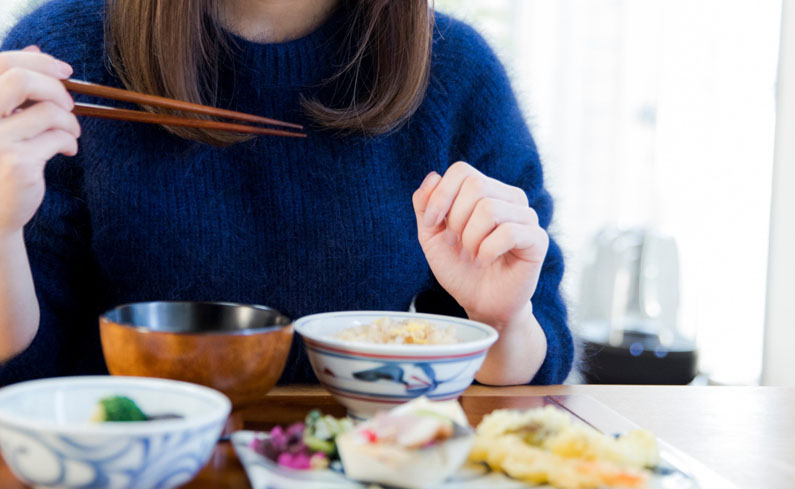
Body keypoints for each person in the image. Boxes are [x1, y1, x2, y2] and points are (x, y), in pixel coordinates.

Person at [0, 0, 573, 386]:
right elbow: (20, 372)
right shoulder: (58, 60)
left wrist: (496, 320)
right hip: (125, 482)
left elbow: (524, 363)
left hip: (362, 484)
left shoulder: (453, 67)